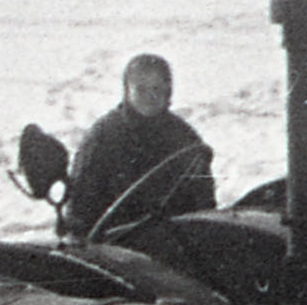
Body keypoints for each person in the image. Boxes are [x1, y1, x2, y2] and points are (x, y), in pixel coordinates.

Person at [63, 53, 215, 238]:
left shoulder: (184, 138)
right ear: (127, 90)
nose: (150, 96)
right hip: (116, 244)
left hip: (174, 241)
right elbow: (81, 206)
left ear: (168, 90)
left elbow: (203, 203)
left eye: (157, 89)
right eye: (141, 89)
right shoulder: (103, 136)